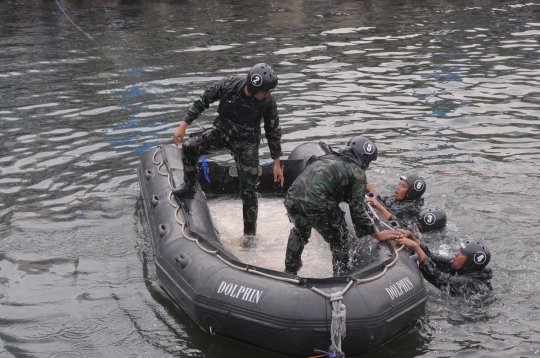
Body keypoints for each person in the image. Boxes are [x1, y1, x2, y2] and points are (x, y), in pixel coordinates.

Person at [172, 63, 285, 238]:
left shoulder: (268, 102)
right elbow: (204, 100)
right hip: (223, 132)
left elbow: (273, 131)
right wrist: (184, 125)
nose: (268, 94)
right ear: (254, 87)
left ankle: (249, 236)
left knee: (249, 191)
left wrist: (276, 162)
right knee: (189, 147)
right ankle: (189, 186)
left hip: (247, 142)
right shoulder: (228, 85)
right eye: (265, 91)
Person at [283, 136, 402, 276]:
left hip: (292, 199)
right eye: (369, 162)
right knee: (339, 240)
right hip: (318, 204)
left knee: (299, 232)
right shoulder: (357, 172)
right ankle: (340, 278)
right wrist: (376, 234)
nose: (368, 167)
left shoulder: (327, 159)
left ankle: (290, 271)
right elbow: (357, 210)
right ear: (364, 160)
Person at [397, 231, 493, 296]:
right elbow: (432, 257)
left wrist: (415, 247)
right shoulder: (463, 266)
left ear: (470, 263)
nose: (456, 254)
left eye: (462, 254)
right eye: (459, 251)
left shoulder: (469, 283)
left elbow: (436, 277)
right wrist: (414, 239)